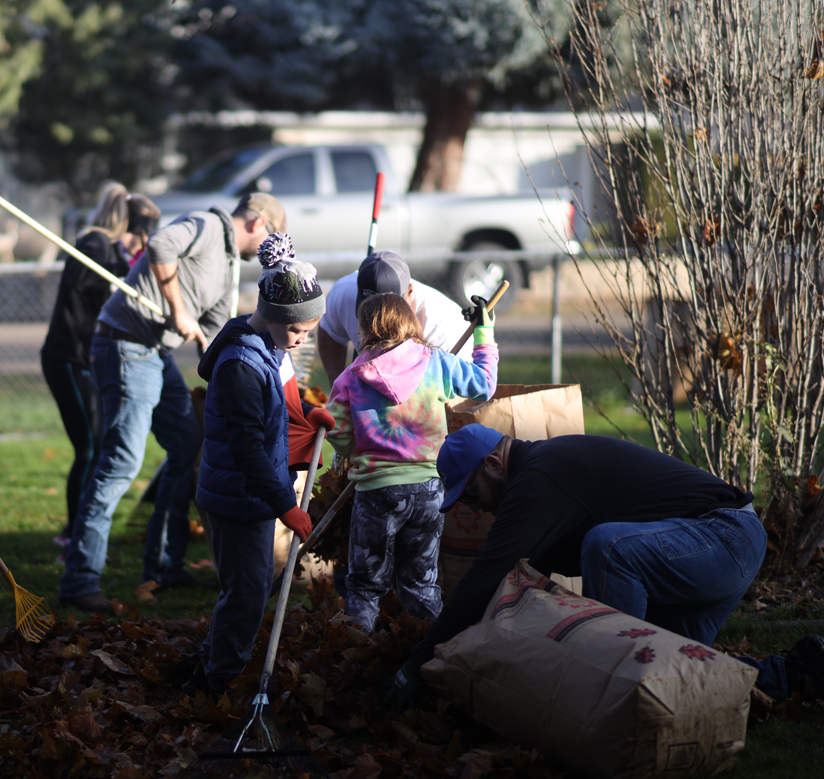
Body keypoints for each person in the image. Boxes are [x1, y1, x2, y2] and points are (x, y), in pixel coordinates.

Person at [382, 424, 820, 709]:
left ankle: (609, 692)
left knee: (609, 549)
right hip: (715, 545)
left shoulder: (537, 479)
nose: (475, 509)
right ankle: (798, 672)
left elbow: (485, 577)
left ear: (494, 465)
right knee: (675, 679)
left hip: (722, 537)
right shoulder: (545, 471)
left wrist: (417, 664)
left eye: (472, 494)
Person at [58, 193, 288, 613]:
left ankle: (163, 565)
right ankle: (79, 578)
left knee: (187, 445)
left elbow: (220, 333)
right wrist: (178, 308)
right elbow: (159, 246)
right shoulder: (205, 225)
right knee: (122, 462)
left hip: (154, 353)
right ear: (257, 223)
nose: (266, 249)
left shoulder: (230, 266)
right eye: (270, 236)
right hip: (123, 345)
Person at [183, 233, 332, 696]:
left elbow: (279, 404)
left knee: (251, 585)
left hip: (250, 492)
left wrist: (308, 415)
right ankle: (220, 683)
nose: (302, 340)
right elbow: (247, 446)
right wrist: (285, 504)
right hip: (237, 496)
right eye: (298, 331)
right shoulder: (241, 364)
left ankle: (209, 664)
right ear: (271, 316)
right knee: (246, 593)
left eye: (309, 332)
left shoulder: (271, 346)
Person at [326, 293, 498, 633]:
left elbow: (340, 436)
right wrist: (483, 333)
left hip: (376, 494)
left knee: (365, 586)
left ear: (365, 331)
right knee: (421, 584)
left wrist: (358, 446)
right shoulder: (435, 363)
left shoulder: (350, 378)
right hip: (429, 490)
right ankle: (429, 657)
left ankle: (355, 660)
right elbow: (484, 385)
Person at [40, 184, 160, 549]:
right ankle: (74, 533)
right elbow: (81, 277)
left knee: (97, 444)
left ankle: (76, 530)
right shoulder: (95, 245)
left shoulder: (115, 253)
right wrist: (119, 267)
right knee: (90, 448)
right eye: (140, 236)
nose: (142, 246)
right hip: (68, 357)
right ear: (129, 226)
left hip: (87, 358)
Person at [317, 251, 472, 385]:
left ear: (410, 293)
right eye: (369, 311)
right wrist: (339, 392)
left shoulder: (443, 330)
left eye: (389, 313)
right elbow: (330, 333)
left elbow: (468, 389)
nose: (377, 324)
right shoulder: (343, 293)